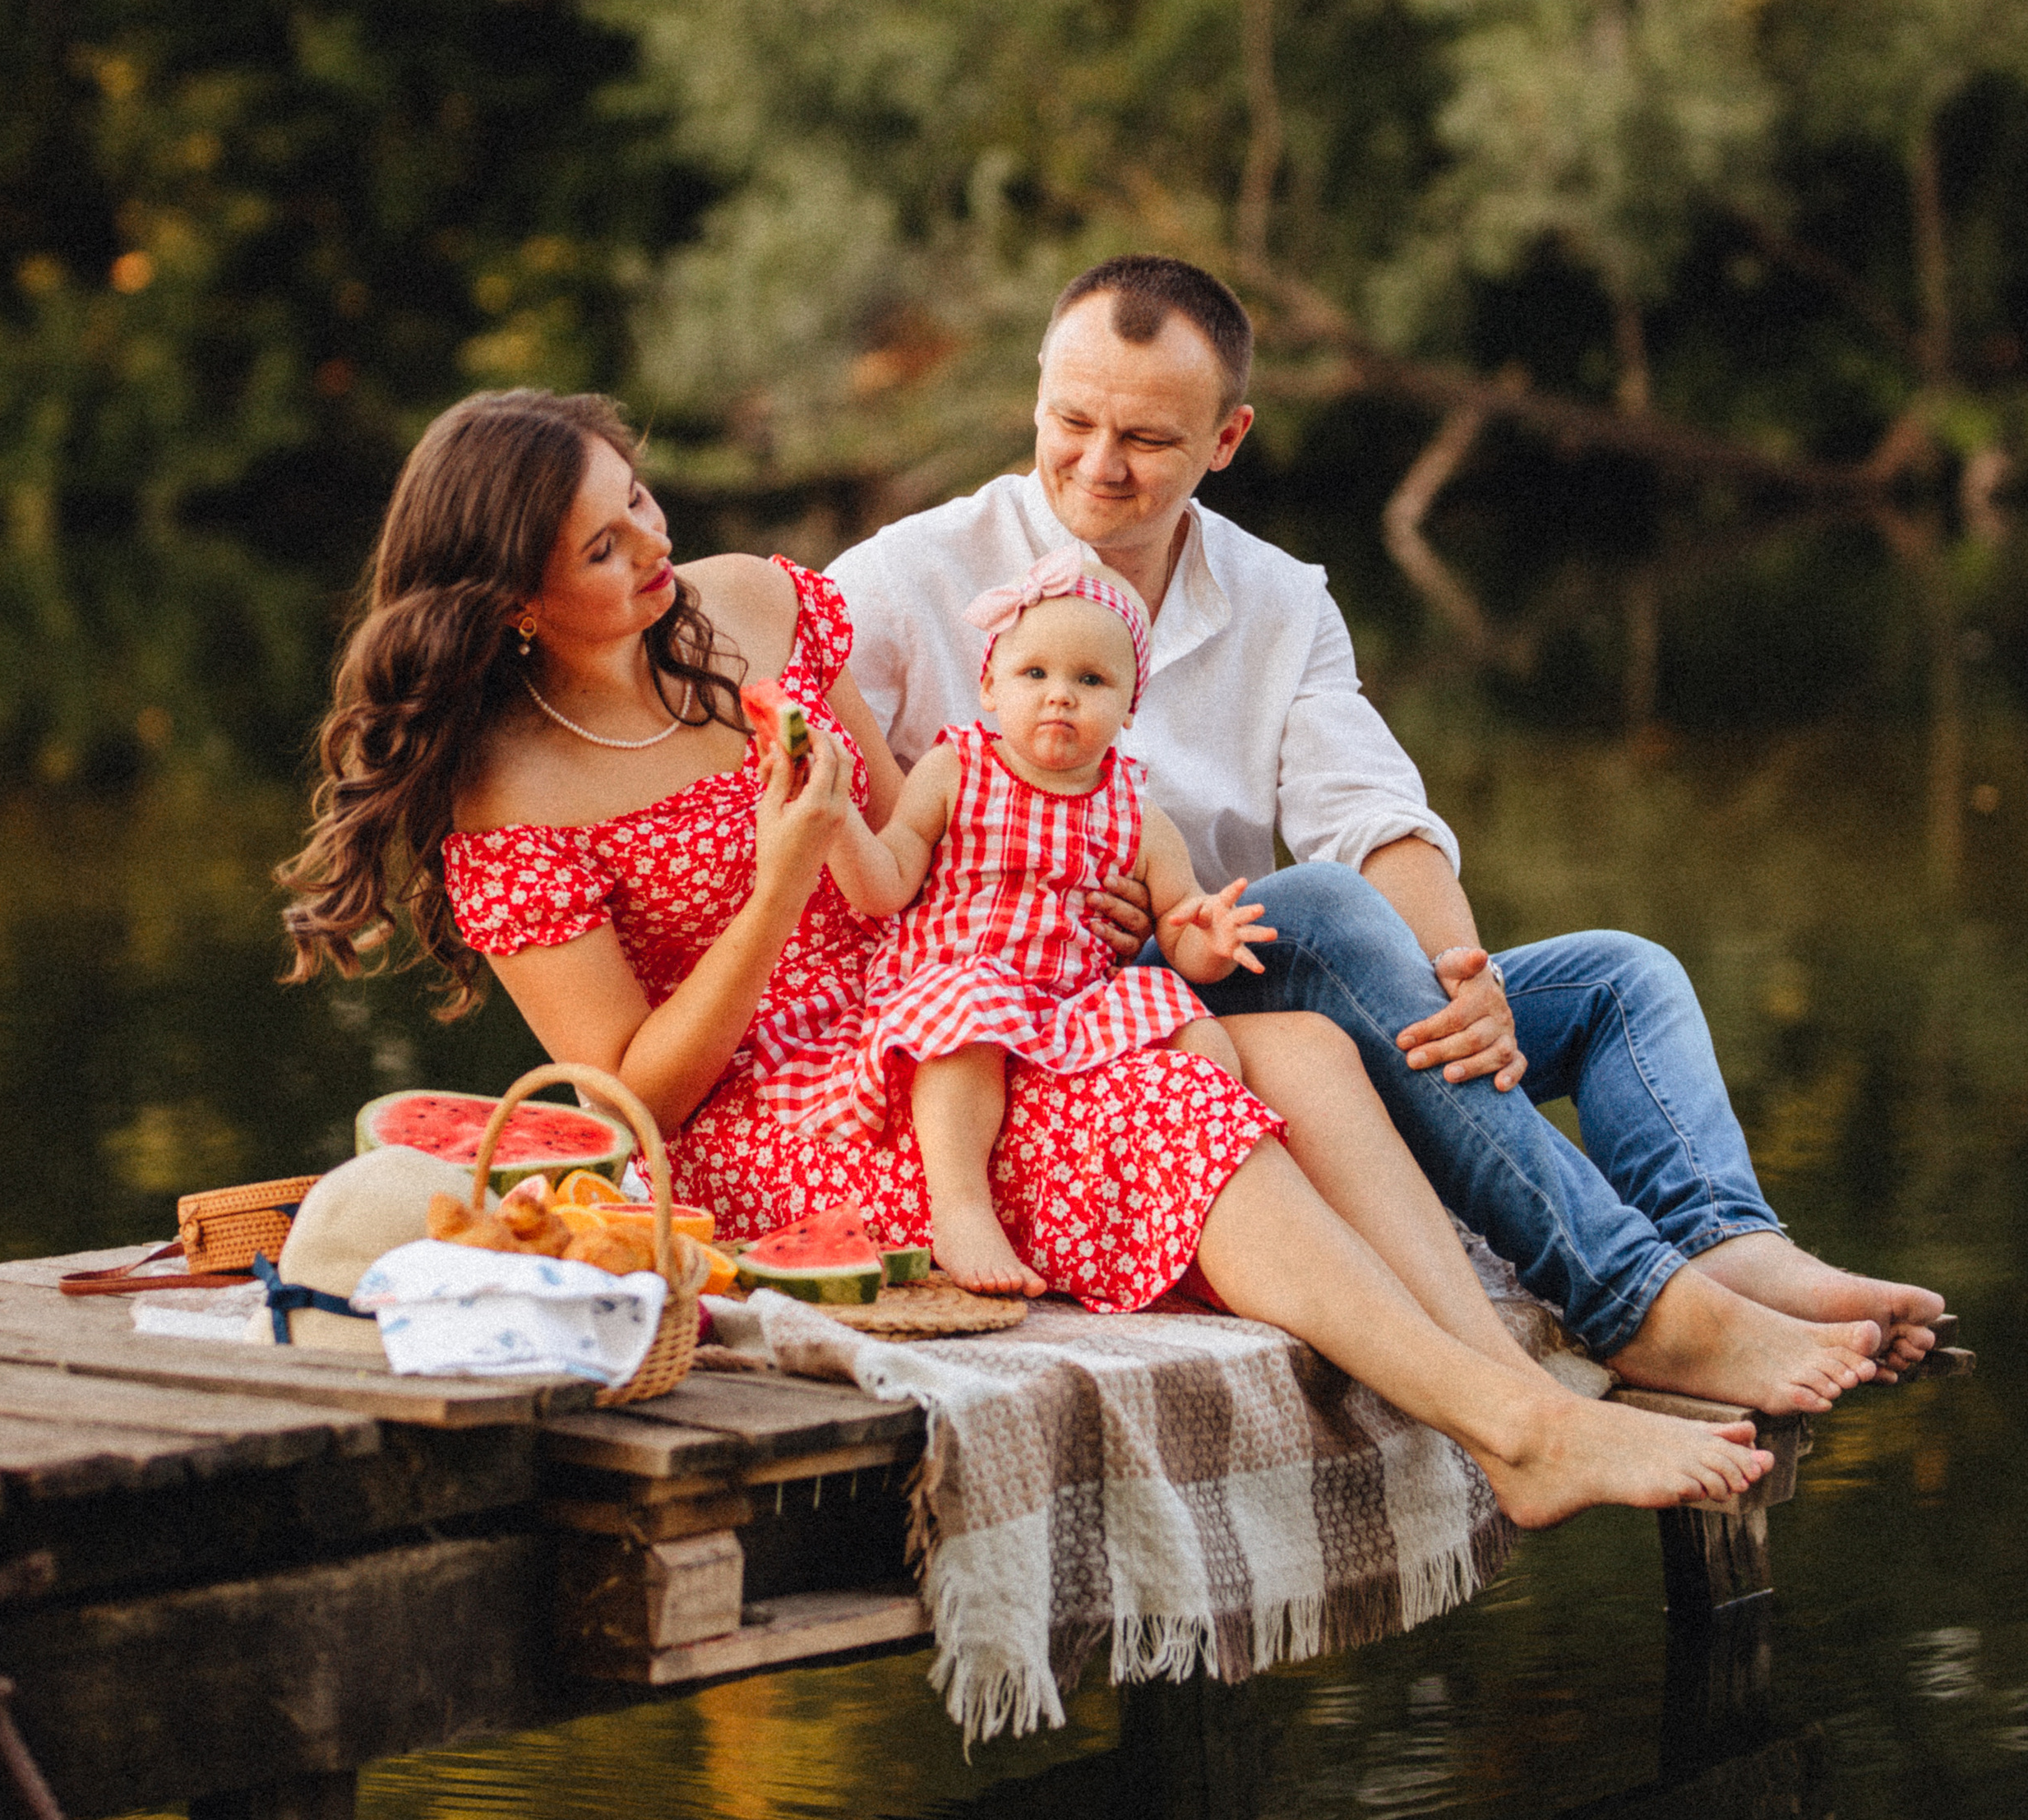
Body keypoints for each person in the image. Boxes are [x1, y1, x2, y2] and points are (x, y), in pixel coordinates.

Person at [278, 385, 1774, 1527]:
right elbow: (626, 1100)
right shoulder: (508, 801)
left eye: (644, 500)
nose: (656, 542)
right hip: (768, 1113)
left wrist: (1096, 905)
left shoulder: (754, 604)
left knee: (1306, 1047)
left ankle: (1513, 1402)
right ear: (516, 602)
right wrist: (775, 878)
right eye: (605, 546)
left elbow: (910, 851)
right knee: (1165, 1109)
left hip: (932, 988)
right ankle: (1521, 1433)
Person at [829, 255, 1945, 1411]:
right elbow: (783, 744)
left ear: (1228, 439)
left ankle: (1724, 1245)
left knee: (1621, 975)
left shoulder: (1280, 598)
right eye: (1071, 421)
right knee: (1312, 911)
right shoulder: (913, 575)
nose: (1098, 466)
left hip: (1246, 969)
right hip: (1055, 1014)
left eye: (1148, 440)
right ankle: (1636, 1305)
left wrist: (1459, 973)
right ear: (1039, 399)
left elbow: (1367, 811)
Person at [818, 549, 1277, 1297]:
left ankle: (1196, 1188)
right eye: (1035, 675)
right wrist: (837, 821)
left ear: (1131, 706)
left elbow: (1182, 934)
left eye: (1090, 681)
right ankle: (959, 1206)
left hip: (1067, 1002)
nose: (1059, 697)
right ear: (990, 685)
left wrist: (1211, 939)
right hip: (957, 979)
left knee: (1198, 1028)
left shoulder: (1139, 814)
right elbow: (887, 886)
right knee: (967, 1018)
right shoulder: (956, 770)